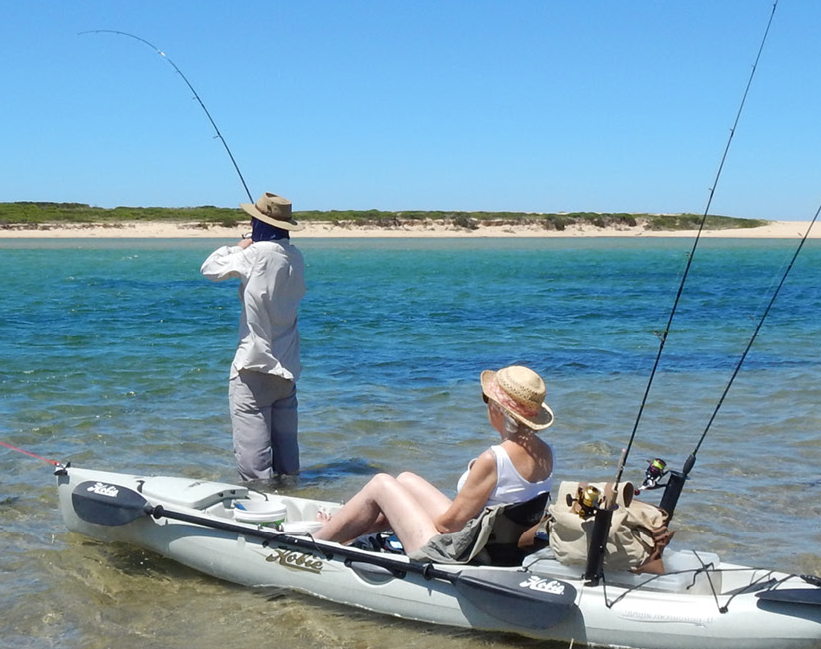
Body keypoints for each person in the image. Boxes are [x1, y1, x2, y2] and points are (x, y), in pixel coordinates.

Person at [311, 366, 556, 560]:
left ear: (498, 410)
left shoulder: (493, 459)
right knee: (406, 480)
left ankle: (314, 542)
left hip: (461, 552)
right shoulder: (546, 453)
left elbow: (450, 525)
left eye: (486, 400)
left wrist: (420, 518)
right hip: (496, 544)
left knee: (382, 484)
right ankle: (342, 532)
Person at [201, 191, 306, 484]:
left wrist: (240, 244)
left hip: (252, 370)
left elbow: (209, 268)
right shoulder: (296, 257)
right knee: (288, 466)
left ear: (259, 223)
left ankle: (260, 518)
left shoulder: (255, 254)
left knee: (254, 471)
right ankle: (295, 504)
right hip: (287, 371)